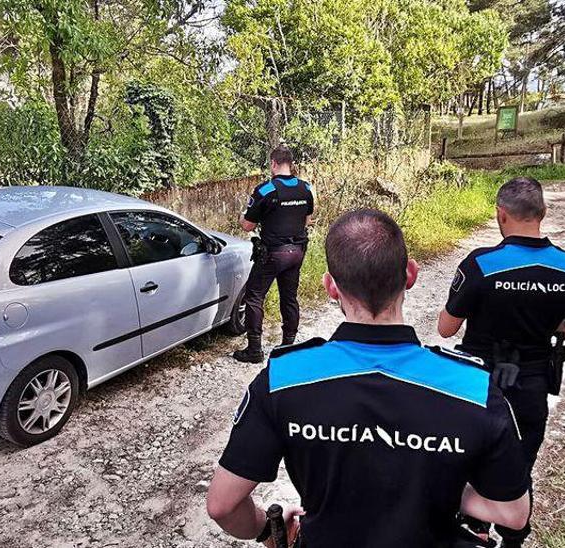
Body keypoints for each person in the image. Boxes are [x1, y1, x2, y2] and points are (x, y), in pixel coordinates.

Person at [207, 209, 531, 547]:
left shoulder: (283, 380)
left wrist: (263, 529)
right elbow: (513, 514)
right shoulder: (473, 388)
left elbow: (222, 505)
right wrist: (447, 486)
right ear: (410, 274)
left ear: (331, 287)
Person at [436, 176, 565, 547]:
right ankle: (513, 536)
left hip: (480, 382)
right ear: (543, 213)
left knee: (468, 459)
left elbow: (446, 328)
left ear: (500, 215)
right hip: (532, 384)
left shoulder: (482, 264)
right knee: (518, 465)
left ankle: (473, 530)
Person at [233, 145, 316, 363]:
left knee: (254, 296)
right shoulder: (306, 188)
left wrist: (242, 217)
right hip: (297, 251)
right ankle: (288, 344)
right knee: (289, 297)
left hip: (273, 253)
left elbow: (248, 226)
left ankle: (254, 350)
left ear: (273, 164)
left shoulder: (265, 190)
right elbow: (307, 220)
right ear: (291, 163)